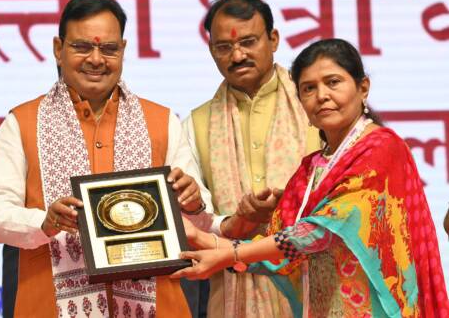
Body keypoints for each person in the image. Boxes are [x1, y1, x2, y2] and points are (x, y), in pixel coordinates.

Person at [173, 38, 449, 317]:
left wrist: (231, 254)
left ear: (363, 88)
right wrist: (200, 237)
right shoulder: (312, 167)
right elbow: (281, 250)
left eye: (333, 82)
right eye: (308, 88)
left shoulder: (382, 147)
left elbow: (320, 231)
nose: (321, 95)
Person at [0, 0, 208, 318]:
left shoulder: (162, 122)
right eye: (82, 47)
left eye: (109, 49)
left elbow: (202, 221)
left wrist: (194, 203)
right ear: (58, 49)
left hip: (158, 305)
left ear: (123, 50)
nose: (96, 59)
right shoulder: (23, 123)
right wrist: (44, 222)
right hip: (48, 304)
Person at [183, 0, 321, 317]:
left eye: (248, 42)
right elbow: (194, 223)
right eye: (224, 47)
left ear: (273, 39)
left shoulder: (317, 106)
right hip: (231, 291)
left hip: (317, 283)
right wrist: (236, 223)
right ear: (211, 51)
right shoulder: (196, 123)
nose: (237, 55)